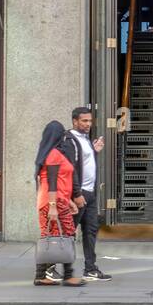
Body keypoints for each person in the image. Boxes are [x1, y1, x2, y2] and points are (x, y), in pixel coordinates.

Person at [33, 120, 84, 287]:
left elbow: (60, 182)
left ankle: (43, 275)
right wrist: (54, 207)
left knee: (56, 235)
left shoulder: (51, 153)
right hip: (52, 202)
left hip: (57, 200)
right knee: (65, 235)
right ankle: (67, 275)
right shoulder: (54, 154)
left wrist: (68, 201)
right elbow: (53, 183)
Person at [69, 106, 111, 280]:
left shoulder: (85, 139)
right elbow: (70, 169)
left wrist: (94, 151)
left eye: (90, 121)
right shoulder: (69, 140)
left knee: (90, 231)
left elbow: (85, 163)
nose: (88, 124)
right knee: (67, 232)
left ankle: (90, 268)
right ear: (75, 121)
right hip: (79, 195)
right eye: (84, 121)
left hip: (90, 193)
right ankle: (52, 267)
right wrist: (77, 194)